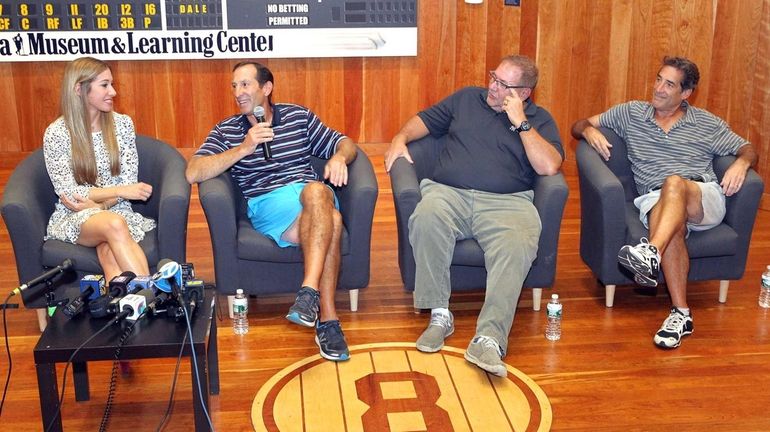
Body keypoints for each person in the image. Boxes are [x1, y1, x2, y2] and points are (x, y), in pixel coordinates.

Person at [384, 55, 564, 376]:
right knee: (426, 216)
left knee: (518, 241)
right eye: (493, 78)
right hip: (448, 192)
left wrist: (521, 123)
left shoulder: (539, 118)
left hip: (507, 202)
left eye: (503, 84)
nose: (492, 87)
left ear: (523, 93)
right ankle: (440, 314)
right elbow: (423, 120)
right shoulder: (467, 99)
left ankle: (490, 338)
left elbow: (549, 166)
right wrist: (400, 137)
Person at [571, 56, 758, 349]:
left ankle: (649, 252)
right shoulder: (631, 113)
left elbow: (747, 148)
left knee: (674, 183)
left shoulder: (706, 122)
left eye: (669, 84)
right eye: (658, 79)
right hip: (654, 199)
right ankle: (681, 314)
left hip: (701, 195)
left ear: (685, 94)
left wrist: (742, 164)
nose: (658, 88)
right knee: (672, 231)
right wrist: (588, 130)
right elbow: (578, 124)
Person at [186, 61, 358, 361]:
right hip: (269, 205)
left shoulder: (297, 116)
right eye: (234, 86)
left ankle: (309, 298)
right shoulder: (227, 130)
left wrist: (340, 158)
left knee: (318, 195)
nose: (238, 92)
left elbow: (344, 142)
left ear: (266, 88)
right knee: (332, 218)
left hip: (311, 195)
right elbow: (193, 172)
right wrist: (243, 148)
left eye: (245, 84)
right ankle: (326, 318)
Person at [44, 57, 155, 284]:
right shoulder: (56, 133)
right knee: (113, 224)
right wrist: (121, 191)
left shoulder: (122, 124)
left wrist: (101, 205)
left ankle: (125, 313)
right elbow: (67, 190)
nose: (113, 92)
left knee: (109, 253)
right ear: (79, 89)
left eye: (111, 84)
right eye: (104, 85)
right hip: (74, 214)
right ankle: (154, 296)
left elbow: (128, 181)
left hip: (116, 210)